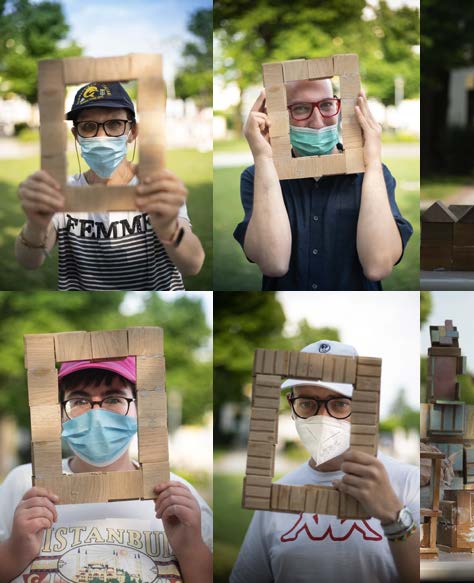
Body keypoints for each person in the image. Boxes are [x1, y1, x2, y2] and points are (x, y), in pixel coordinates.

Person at [0, 356, 212, 582]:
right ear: (60, 413)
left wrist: (190, 548)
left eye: (114, 398)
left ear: (140, 408)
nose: (96, 414)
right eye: (79, 401)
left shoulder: (178, 497)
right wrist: (16, 549)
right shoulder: (24, 484)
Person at [231, 340, 419, 583]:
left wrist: (394, 516)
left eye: (339, 403)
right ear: (291, 404)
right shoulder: (274, 497)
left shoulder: (408, 482)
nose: (321, 417)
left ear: (364, 405)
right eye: (307, 403)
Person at [15, 82, 205, 290]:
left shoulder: (157, 186)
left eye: (114, 124)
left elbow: (192, 265)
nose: (101, 137)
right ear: (76, 136)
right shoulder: (63, 192)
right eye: (88, 127)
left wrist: (169, 227)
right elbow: (29, 261)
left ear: (132, 131)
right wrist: (36, 225)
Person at [236, 78, 413, 290]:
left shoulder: (375, 174)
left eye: (327, 104)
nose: (318, 122)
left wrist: (373, 162)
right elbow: (274, 264)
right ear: (278, 115)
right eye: (301, 108)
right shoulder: (256, 176)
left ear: (339, 107)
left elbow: (377, 267)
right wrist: (263, 159)